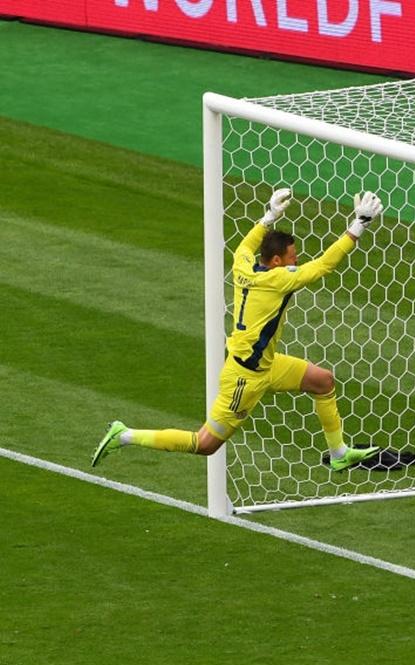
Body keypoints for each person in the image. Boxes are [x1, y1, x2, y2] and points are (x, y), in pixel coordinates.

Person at [92, 188, 384, 473]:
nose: (297, 261)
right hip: (244, 378)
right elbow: (323, 266)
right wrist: (358, 225)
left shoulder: (243, 266)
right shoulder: (280, 279)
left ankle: (339, 454)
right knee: (204, 444)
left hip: (267, 364)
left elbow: (244, 247)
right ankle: (124, 434)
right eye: (293, 257)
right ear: (278, 261)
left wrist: (268, 216)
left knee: (323, 381)